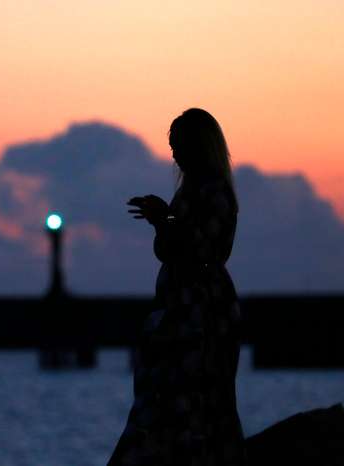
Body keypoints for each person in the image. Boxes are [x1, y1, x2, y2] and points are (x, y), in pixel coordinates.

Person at [110, 108, 246, 465]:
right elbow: (171, 248)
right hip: (180, 309)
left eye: (179, 145)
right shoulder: (190, 192)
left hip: (202, 312)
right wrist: (163, 221)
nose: (173, 154)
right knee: (170, 399)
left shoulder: (215, 192)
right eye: (171, 146)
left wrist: (165, 219)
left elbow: (200, 249)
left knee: (199, 401)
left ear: (199, 146)